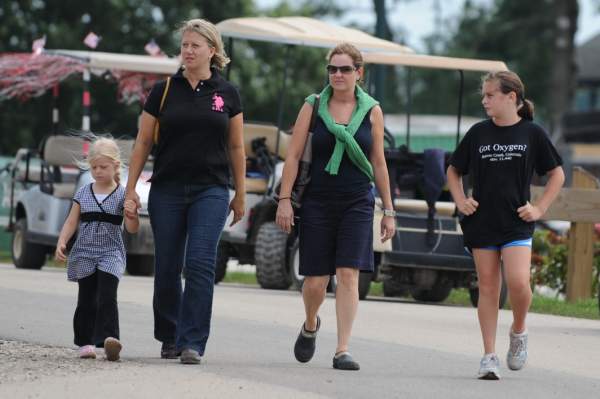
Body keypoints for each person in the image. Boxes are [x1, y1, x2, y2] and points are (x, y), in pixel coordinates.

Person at [125, 19, 245, 365]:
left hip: (211, 189)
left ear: (212, 50)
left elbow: (237, 147)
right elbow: (143, 141)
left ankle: (192, 341)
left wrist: (239, 193)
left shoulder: (228, 94)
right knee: (166, 267)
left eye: (196, 45)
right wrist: (130, 189)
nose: (188, 51)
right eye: (185, 45)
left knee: (200, 264)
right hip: (168, 189)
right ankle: (169, 334)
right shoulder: (163, 91)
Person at [275, 42, 396, 371]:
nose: (337, 75)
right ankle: (311, 322)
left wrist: (389, 210)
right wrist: (284, 200)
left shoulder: (372, 110)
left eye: (345, 69)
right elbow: (294, 156)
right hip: (318, 200)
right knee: (315, 281)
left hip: (357, 200)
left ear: (359, 73)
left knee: (348, 273)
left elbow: (380, 163)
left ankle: (342, 348)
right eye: (332, 69)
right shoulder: (313, 106)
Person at [447, 71, 565, 380]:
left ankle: (519, 330)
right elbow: (453, 170)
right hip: (482, 222)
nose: (484, 100)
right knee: (487, 287)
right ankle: (488, 356)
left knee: (518, 283)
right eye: (483, 95)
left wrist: (540, 207)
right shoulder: (477, 133)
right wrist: (461, 200)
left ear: (511, 97)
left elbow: (557, 174)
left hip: (516, 222)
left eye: (490, 95)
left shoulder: (532, 133)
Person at [56, 137, 139, 361]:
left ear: (115, 166)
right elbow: (71, 222)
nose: (98, 171)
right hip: (84, 253)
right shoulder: (83, 192)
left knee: (107, 296)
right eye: (94, 167)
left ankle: (110, 339)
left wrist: (132, 214)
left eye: (103, 167)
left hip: (111, 253)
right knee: (87, 299)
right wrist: (62, 241)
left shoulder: (123, 195)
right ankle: (85, 342)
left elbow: (131, 228)